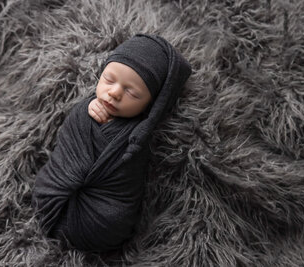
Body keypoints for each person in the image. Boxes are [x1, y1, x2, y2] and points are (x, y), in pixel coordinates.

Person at [32, 33, 192, 252]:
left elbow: (126, 180)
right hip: (58, 191)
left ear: (150, 105)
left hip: (103, 219)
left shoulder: (138, 138)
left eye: (132, 93)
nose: (114, 93)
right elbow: (66, 144)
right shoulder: (85, 110)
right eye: (108, 79)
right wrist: (83, 114)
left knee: (112, 218)